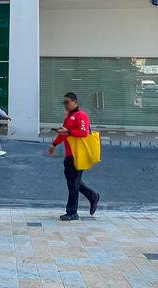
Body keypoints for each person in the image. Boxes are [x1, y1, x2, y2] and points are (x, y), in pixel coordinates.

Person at [47, 92, 100, 221]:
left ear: (75, 102)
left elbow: (83, 132)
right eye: (64, 102)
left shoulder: (81, 115)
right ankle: (93, 196)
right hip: (69, 155)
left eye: (67, 102)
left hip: (77, 154)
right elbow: (63, 134)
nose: (65, 105)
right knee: (73, 183)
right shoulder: (68, 117)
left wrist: (68, 132)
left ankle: (72, 212)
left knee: (73, 184)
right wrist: (54, 144)